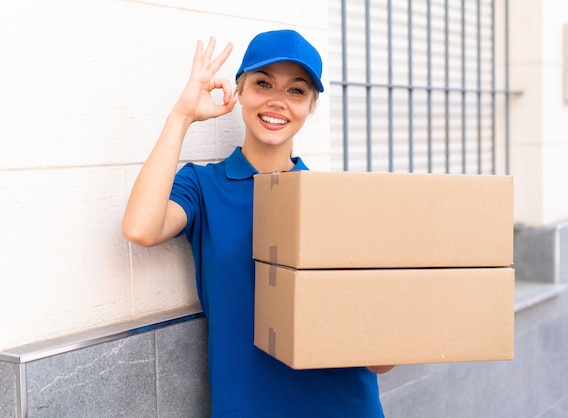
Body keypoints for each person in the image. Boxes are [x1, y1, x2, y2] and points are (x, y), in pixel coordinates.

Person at [122, 29, 393, 417]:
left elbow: (379, 359)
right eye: (264, 84)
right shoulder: (203, 186)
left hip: (342, 405)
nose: (278, 102)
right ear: (240, 92)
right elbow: (140, 228)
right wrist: (182, 116)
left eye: (296, 91)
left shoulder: (334, 202)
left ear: (311, 106)